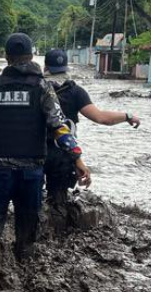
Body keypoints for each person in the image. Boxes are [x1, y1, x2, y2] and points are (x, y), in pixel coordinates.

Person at [0, 33, 89, 288]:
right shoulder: (42, 88)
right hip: (31, 174)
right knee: (28, 229)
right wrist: (77, 158)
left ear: (6, 57)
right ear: (31, 57)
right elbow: (60, 128)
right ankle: (24, 285)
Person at [42, 47, 140, 214]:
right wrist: (127, 116)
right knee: (58, 203)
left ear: (45, 68)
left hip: (34, 152)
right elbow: (102, 118)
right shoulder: (75, 91)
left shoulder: (36, 89)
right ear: (66, 68)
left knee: (30, 202)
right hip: (64, 153)